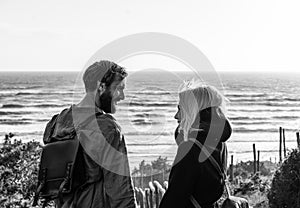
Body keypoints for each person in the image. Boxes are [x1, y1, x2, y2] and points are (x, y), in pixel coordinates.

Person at [43, 60, 137, 207]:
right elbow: (120, 192)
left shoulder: (56, 122)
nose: (122, 96)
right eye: (118, 88)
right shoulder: (107, 128)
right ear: (101, 86)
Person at [159, 81, 232, 208]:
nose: (176, 116)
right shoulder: (219, 143)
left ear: (192, 111)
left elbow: (174, 199)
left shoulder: (190, 149)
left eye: (180, 109)